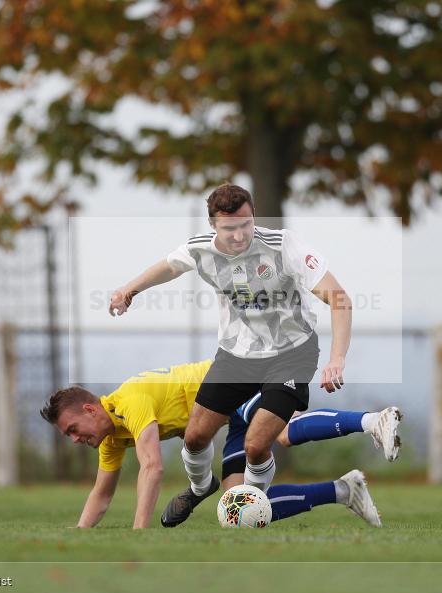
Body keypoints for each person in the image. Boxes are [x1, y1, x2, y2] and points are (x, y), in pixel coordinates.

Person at [108, 183, 374, 527]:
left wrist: (337, 358)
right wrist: (129, 290)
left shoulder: (284, 245)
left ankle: (251, 508)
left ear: (254, 216)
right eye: (229, 228)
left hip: (292, 353)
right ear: (213, 226)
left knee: (256, 444)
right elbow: (170, 267)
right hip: (238, 354)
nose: (239, 235)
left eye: (245, 224)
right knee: (195, 436)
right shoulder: (201, 249)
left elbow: (339, 298)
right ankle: (200, 487)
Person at [39, 360, 402, 529]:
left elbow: (152, 466)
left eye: (73, 428)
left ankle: (374, 421)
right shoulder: (110, 438)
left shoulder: (128, 401)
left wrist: (139, 534)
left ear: (90, 408)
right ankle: (343, 491)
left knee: (281, 432)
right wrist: (80, 535)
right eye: (68, 436)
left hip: (239, 382)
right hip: (229, 420)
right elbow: (101, 495)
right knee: (240, 509)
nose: (74, 439)